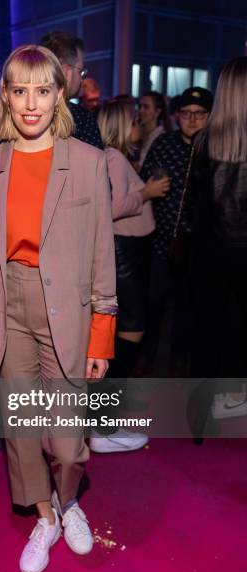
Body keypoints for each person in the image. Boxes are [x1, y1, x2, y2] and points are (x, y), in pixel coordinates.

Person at [0, 45, 117, 572]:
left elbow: (102, 251)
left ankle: (70, 498)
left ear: (60, 94)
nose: (31, 104)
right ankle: (45, 514)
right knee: (24, 432)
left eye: (43, 90)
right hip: (8, 304)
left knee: (68, 443)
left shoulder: (89, 162)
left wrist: (102, 334)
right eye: (20, 91)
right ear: (5, 96)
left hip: (68, 312)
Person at [90, 101, 169, 453]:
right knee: (129, 331)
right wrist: (146, 193)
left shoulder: (113, 157)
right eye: (134, 120)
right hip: (123, 252)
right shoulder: (113, 158)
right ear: (121, 124)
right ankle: (103, 424)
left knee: (124, 330)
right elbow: (111, 206)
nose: (139, 125)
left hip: (127, 251)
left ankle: (104, 415)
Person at [186, 57, 247, 425]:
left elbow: (198, 206)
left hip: (208, 255)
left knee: (208, 330)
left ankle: (206, 410)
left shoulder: (203, 141)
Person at [138, 87, 212, 376]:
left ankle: (180, 363)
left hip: (197, 246)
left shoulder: (214, 147)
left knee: (186, 310)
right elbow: (144, 180)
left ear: (209, 117)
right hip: (160, 242)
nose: (191, 120)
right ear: (177, 116)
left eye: (199, 114)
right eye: (185, 114)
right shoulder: (164, 143)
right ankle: (145, 357)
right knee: (153, 305)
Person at [40, 30, 103, 148]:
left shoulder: (19, 115)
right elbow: (96, 165)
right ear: (66, 72)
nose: (81, 78)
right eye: (81, 70)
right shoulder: (82, 121)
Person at [138, 91, 171, 169]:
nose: (140, 111)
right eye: (140, 106)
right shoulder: (137, 132)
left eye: (146, 107)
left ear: (157, 112)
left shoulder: (161, 137)